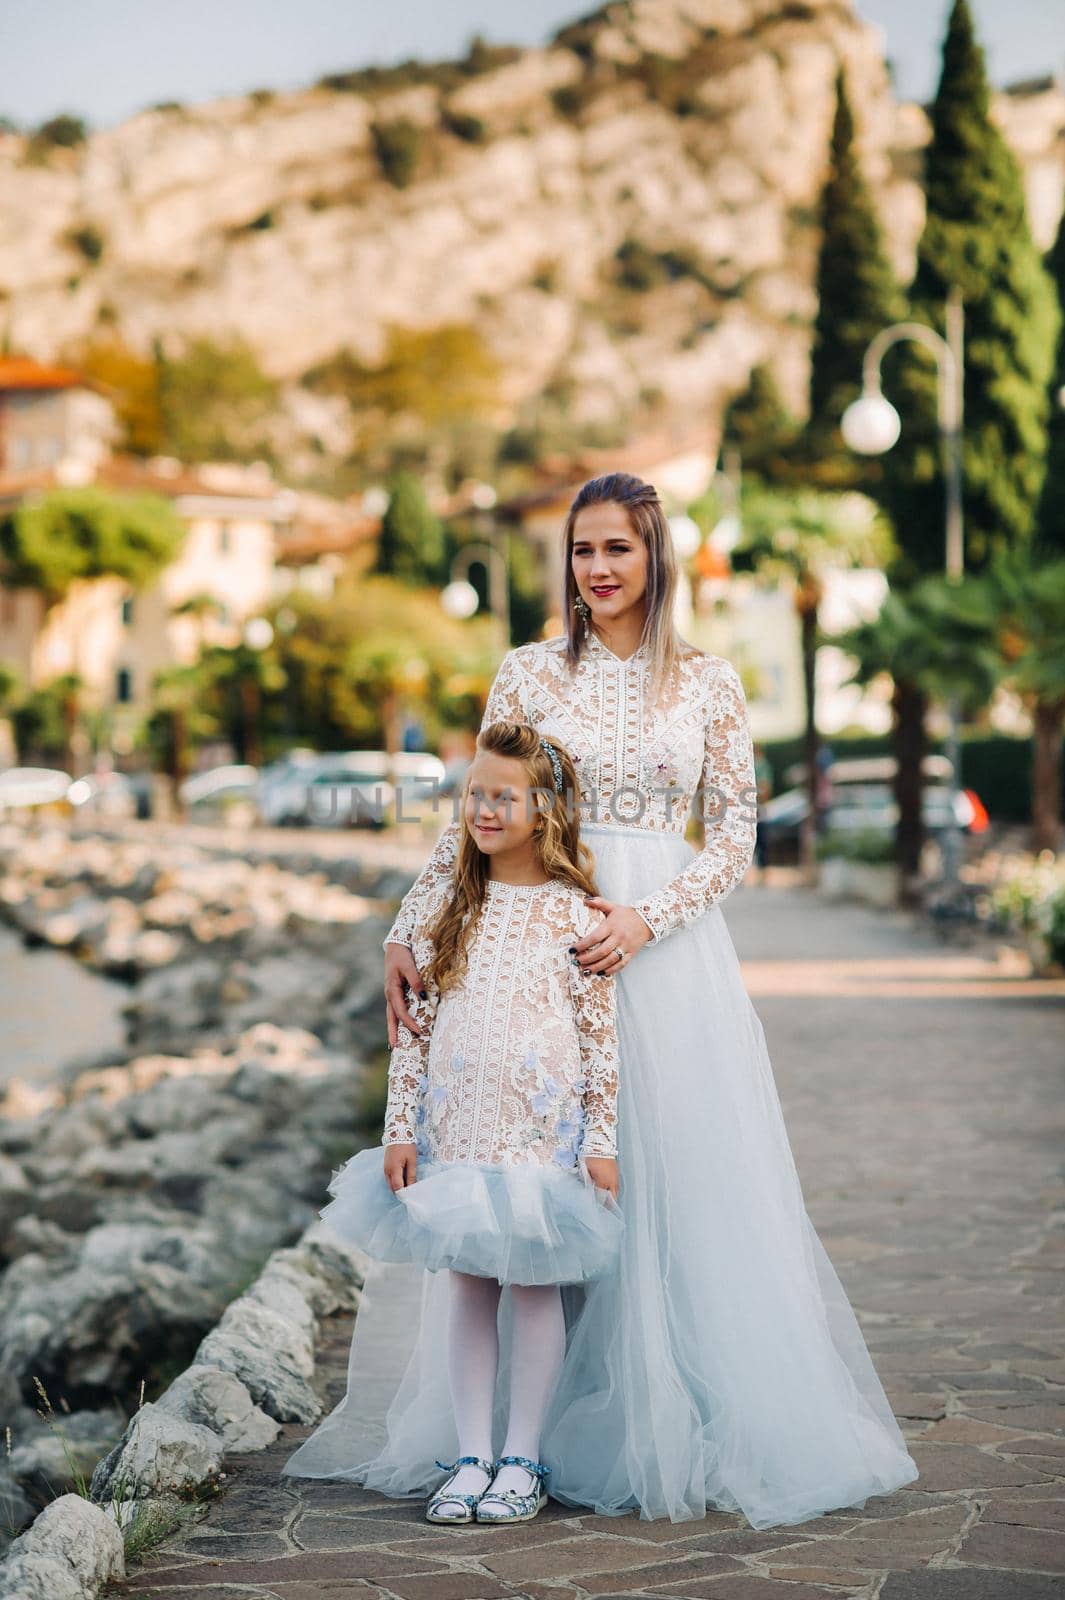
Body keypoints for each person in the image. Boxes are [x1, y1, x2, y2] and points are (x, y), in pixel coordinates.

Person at [296, 471, 919, 1531]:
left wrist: (643, 919)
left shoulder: (713, 683)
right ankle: (502, 1445)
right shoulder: (528, 673)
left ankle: (639, 1416)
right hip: (534, 951)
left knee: (660, 1181)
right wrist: (408, 930)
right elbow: (473, 820)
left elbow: (733, 837)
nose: (598, 568)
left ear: (654, 556)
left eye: (617, 549)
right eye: (583, 549)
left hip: (665, 957)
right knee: (531, 1190)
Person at [283, 720, 623, 1525]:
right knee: (468, 1287)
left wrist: (600, 1144)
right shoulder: (449, 910)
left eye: (503, 796)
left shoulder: (578, 915)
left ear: (543, 810)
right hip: (457, 1134)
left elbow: (600, 1041)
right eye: (474, 794)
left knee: (534, 1292)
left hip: (539, 1140)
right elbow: (413, 1032)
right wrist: (400, 1127)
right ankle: (471, 1455)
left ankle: (522, 1458)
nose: (484, 808)